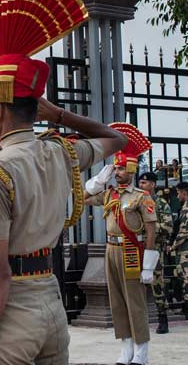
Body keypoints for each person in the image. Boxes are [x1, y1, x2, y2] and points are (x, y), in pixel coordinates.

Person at [0, 0, 125, 365]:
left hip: (14, 309)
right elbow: (115, 139)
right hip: (51, 301)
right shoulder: (60, 153)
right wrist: (60, 114)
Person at [84, 123, 157, 365]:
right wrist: (97, 180)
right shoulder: (109, 194)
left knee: (134, 303)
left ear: (132, 169)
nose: (117, 173)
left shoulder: (141, 197)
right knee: (117, 302)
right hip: (110, 250)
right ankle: (126, 349)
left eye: (121, 169)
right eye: (115, 169)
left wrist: (148, 265)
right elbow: (82, 198)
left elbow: (150, 231)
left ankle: (141, 351)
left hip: (131, 252)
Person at [136, 171, 173, 333]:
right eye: (140, 183)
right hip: (136, 248)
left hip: (154, 248)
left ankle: (162, 318)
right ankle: (137, 320)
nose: (141, 186)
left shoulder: (161, 204)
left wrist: (148, 228)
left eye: (144, 183)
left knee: (156, 283)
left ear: (152, 184)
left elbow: (168, 227)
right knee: (134, 284)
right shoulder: (136, 201)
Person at [172, 181, 188, 320]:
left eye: (178, 193)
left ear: (184, 192)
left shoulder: (187, 209)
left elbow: (184, 232)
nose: (177, 196)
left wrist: (172, 245)